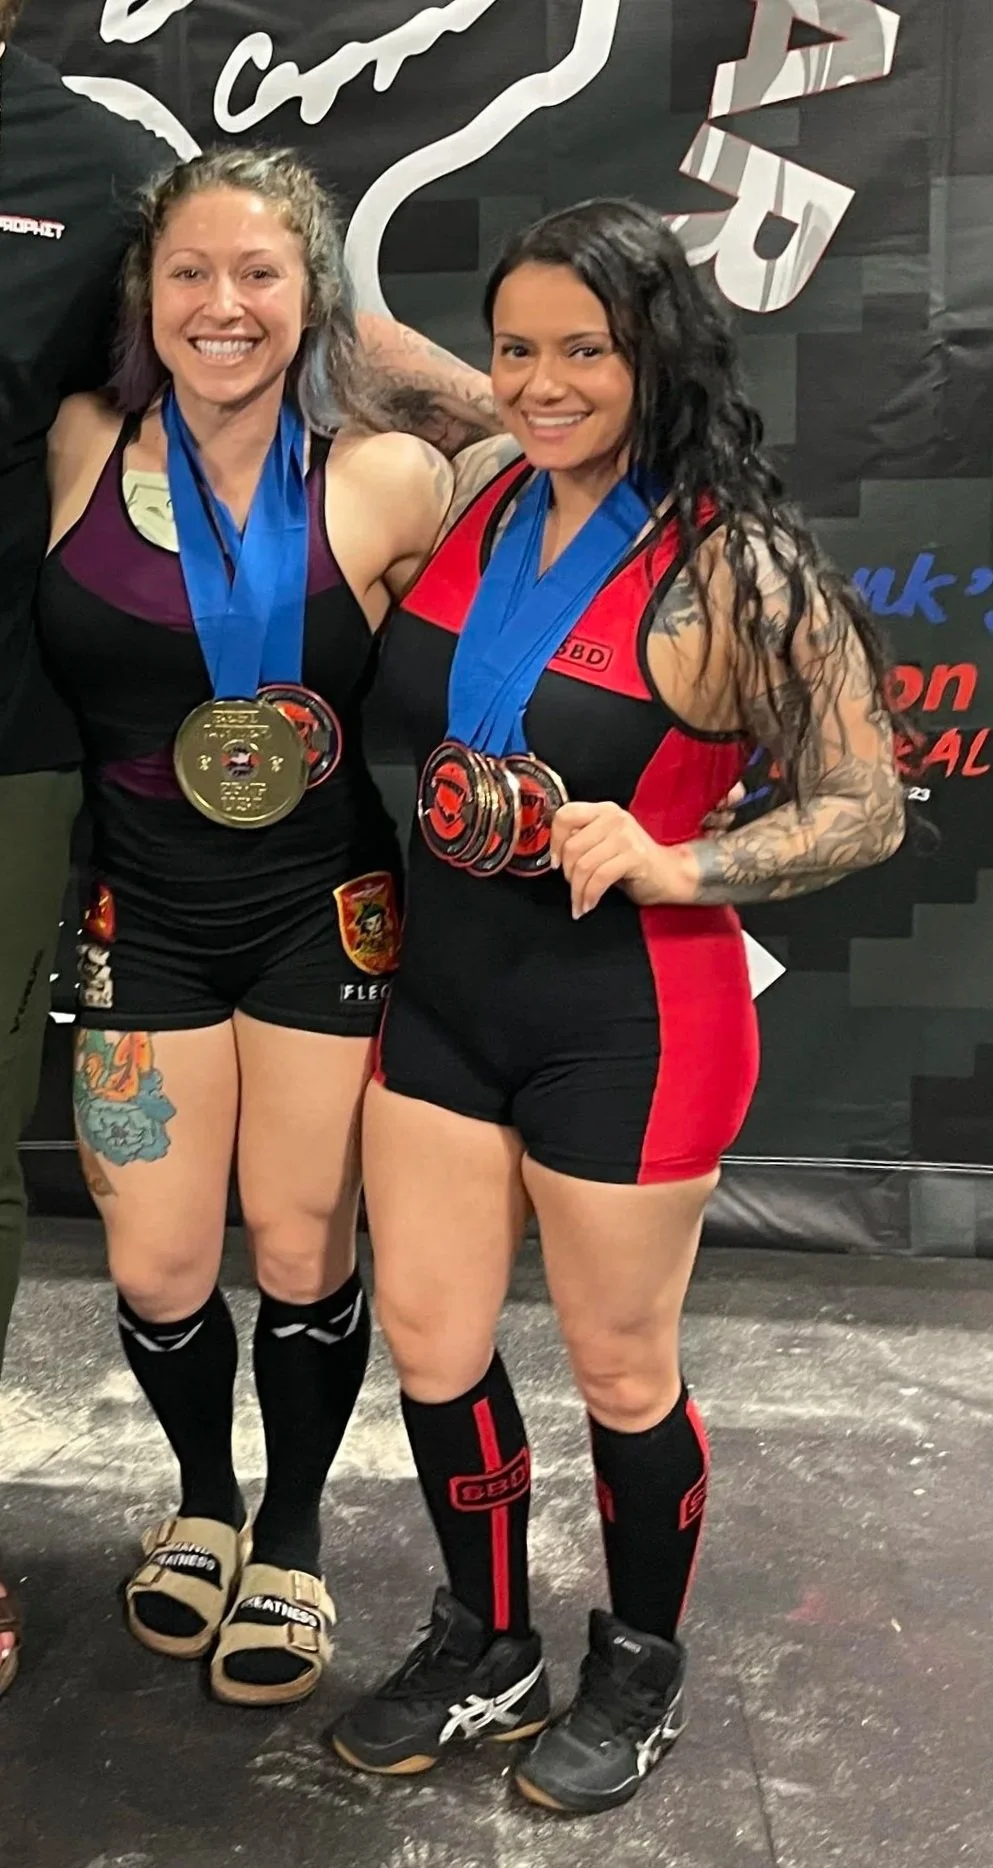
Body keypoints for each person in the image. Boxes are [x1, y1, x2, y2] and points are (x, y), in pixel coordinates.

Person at [330, 198, 906, 1812]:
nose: (544, 380)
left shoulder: (741, 565)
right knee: (435, 1346)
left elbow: (864, 801)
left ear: (660, 352)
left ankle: (638, 1666)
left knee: (623, 1370)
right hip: (443, 1000)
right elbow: (362, 335)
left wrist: (678, 863)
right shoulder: (483, 483)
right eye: (518, 347)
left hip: (630, 1023)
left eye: (587, 348)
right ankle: (485, 1642)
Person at [0, 4, 501, 1699]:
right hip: (137, 913)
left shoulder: (384, 479)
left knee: (298, 1248)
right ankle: (200, 1502)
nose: (224, 305)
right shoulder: (77, 448)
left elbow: (544, 542)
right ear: (143, 297)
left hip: (319, 918)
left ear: (315, 296)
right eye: (189, 275)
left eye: (263, 275)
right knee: (150, 1262)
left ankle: (289, 1532)